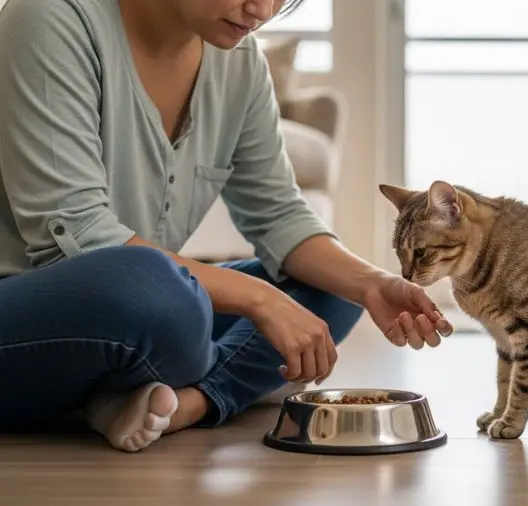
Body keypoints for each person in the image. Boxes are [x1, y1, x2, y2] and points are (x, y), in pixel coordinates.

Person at [0, 0, 452, 453]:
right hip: (25, 309)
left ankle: (186, 403)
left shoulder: (239, 61)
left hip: (134, 313)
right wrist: (260, 300)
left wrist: (372, 284)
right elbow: (83, 239)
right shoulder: (48, 18)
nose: (263, 9)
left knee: (334, 287)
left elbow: (279, 215)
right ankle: (133, 388)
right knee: (167, 300)